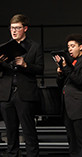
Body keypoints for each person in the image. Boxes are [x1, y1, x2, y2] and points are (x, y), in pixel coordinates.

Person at [0, 14, 44, 157]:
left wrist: (25, 65)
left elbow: (40, 69)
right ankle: (12, 154)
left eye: (17, 28)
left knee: (28, 130)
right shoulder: (3, 47)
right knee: (10, 131)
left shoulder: (34, 46)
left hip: (24, 93)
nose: (14, 31)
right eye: (12, 28)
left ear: (25, 28)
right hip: (7, 94)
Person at [54, 33, 82, 157]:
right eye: (68, 47)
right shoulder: (71, 61)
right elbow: (61, 84)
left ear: (81, 47)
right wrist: (60, 73)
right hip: (68, 106)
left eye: (72, 46)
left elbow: (79, 80)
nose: (70, 49)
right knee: (71, 141)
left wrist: (66, 68)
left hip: (79, 107)